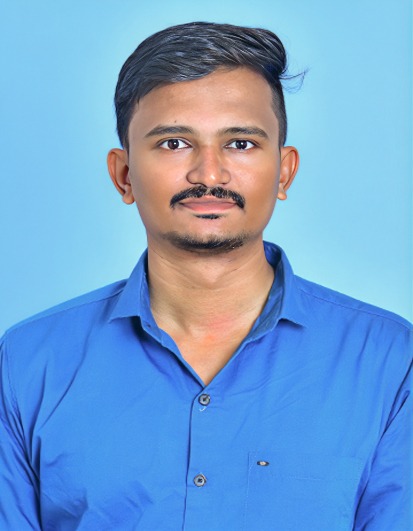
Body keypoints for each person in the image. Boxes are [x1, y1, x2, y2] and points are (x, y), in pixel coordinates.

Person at [0, 21, 411, 531]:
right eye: (174, 143)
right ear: (124, 175)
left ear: (284, 172)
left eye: (240, 143)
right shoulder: (26, 364)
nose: (209, 174)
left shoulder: (391, 361)